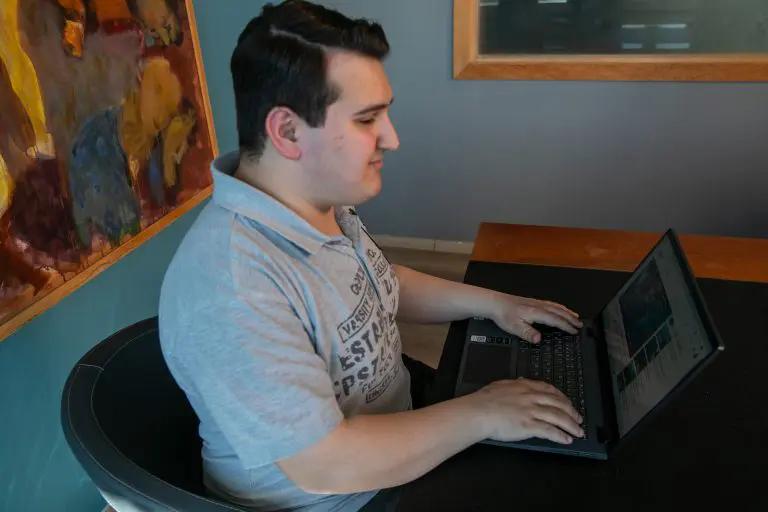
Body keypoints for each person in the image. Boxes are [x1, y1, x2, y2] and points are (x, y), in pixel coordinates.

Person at [158, 2, 584, 511]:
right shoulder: (232, 286)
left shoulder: (321, 205)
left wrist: (494, 304)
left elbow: (380, 283)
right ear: (288, 132)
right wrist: (483, 414)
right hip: (347, 495)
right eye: (367, 119)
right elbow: (327, 463)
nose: (392, 137)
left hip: (396, 427)